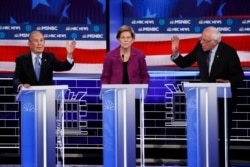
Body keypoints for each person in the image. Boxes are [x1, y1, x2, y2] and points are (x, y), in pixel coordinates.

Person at [171, 26, 244, 167]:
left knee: (222, 135)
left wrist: (227, 82)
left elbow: (238, 76)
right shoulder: (200, 47)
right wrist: (176, 53)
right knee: (204, 135)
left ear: (215, 42)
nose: (201, 42)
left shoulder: (229, 52)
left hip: (224, 101)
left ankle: (223, 163)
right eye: (201, 39)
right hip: (204, 100)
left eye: (204, 40)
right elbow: (185, 63)